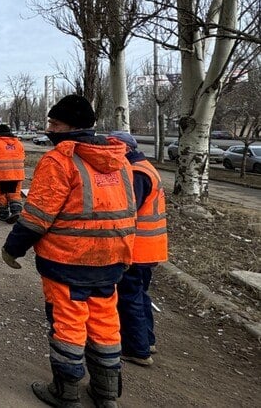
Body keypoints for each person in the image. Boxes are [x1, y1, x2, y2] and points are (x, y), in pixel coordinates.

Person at [1, 95, 135, 408]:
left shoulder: (60, 159)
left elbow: (37, 217)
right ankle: (105, 394)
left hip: (68, 260)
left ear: (71, 127)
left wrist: (12, 249)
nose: (49, 129)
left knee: (69, 325)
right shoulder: (121, 161)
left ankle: (65, 392)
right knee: (105, 324)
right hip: (112, 259)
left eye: (54, 123)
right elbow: (129, 212)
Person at [107, 131, 167, 367]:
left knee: (129, 297)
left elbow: (126, 210)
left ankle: (137, 349)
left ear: (124, 149)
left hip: (136, 248)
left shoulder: (135, 173)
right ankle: (146, 340)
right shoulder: (144, 167)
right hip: (149, 247)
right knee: (140, 295)